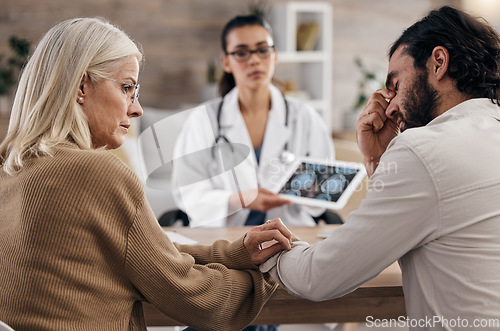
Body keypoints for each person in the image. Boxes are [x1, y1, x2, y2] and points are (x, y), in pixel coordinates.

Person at [0, 17, 295, 331]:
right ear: (82, 86)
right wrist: (267, 274)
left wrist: (236, 253)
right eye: (127, 88)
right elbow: (193, 296)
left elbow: (143, 251)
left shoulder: (11, 166)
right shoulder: (97, 172)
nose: (136, 108)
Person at [259, 6, 500, 330]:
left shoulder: (424, 150)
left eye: (395, 84)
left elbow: (319, 277)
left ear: (438, 63)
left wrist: (269, 249)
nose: (393, 106)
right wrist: (379, 162)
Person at [171, 15, 336, 228]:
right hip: (224, 239)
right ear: (226, 62)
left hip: (291, 235)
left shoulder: (305, 117)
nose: (254, 60)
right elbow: (187, 192)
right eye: (241, 53)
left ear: (275, 55)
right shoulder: (202, 120)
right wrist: (241, 199)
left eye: (262, 50)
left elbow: (324, 194)